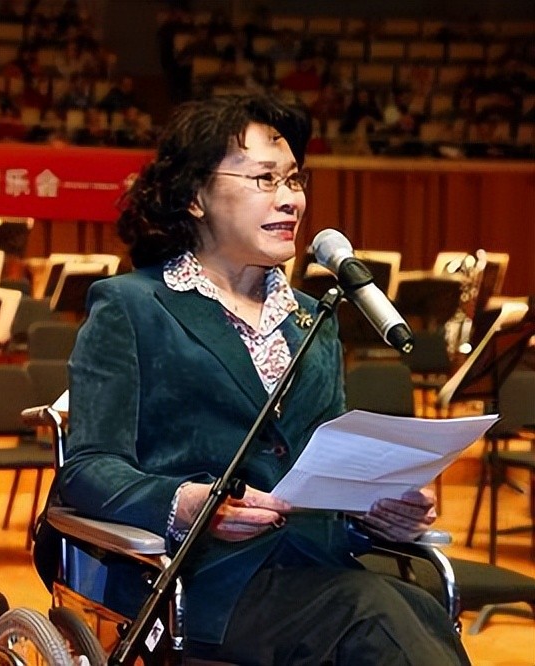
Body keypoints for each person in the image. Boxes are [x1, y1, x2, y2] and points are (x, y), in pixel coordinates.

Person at [50, 92, 470, 665]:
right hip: (197, 584)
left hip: (317, 573)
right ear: (196, 196)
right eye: (264, 179)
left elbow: (321, 472)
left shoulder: (314, 320)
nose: (290, 199)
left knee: (413, 607)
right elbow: (87, 470)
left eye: (294, 179)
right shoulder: (132, 306)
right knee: (374, 616)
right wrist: (184, 503)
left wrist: (374, 507)